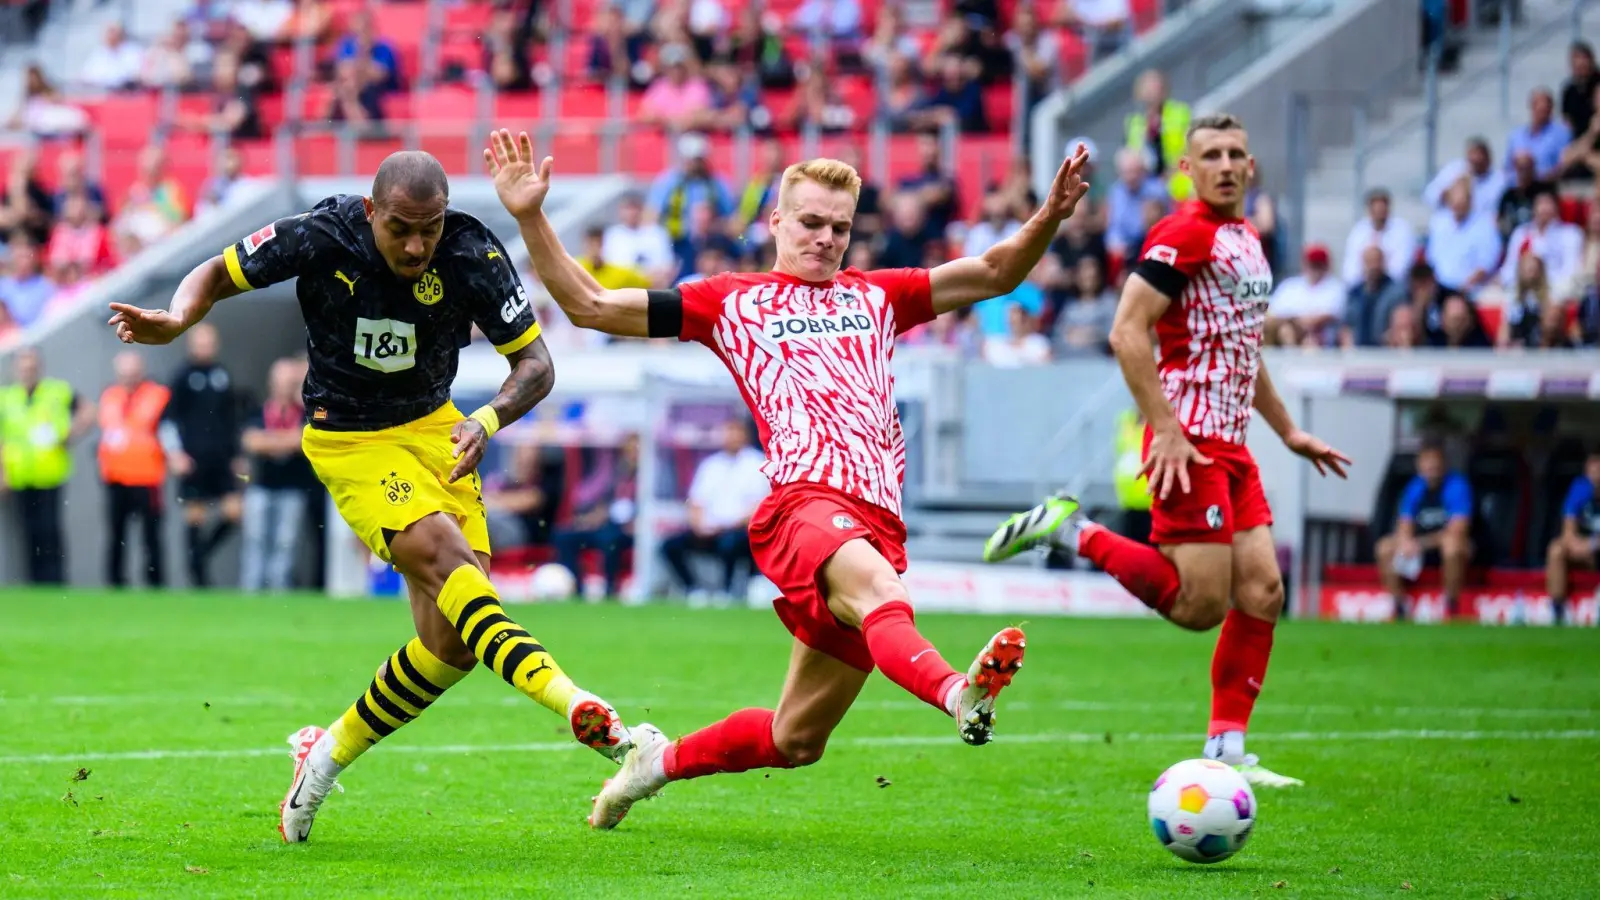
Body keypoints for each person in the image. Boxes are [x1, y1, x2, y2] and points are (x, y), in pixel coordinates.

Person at [484, 127, 1090, 828]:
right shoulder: (728, 301)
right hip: (803, 506)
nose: (826, 238)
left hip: (876, 521)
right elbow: (590, 305)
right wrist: (530, 215)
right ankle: (959, 693)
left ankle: (654, 764)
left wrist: (1049, 216)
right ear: (775, 221)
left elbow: (994, 273)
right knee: (883, 594)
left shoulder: (879, 296)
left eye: (841, 228)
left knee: (795, 739)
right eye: (810, 222)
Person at [106, 150, 633, 844]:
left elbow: (536, 365)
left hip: (440, 430)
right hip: (350, 438)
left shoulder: (471, 250)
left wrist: (487, 419)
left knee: (451, 646)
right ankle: (579, 707)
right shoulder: (321, 235)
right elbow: (216, 271)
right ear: (370, 211)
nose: (416, 246)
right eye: (400, 229)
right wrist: (179, 317)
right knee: (447, 559)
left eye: (429, 228)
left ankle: (323, 755)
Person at [981, 114, 1351, 789]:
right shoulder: (1182, 234)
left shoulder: (1246, 239)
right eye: (1211, 155)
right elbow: (1127, 332)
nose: (1226, 165)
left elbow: (1242, 350)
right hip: (1188, 441)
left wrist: (1288, 431)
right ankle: (1072, 530)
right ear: (1188, 169)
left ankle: (1227, 750)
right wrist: (1168, 429)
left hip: (1230, 445)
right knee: (1199, 606)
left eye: (1236, 154)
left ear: (1251, 166)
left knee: (1263, 590)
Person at [0, 346, 94, 584]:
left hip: (50, 473)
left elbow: (87, 410)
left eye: (31, 366)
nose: (27, 371)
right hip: (20, 475)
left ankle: (54, 581)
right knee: (28, 533)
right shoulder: (7, 397)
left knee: (50, 531)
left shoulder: (56, 391)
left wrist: (70, 434)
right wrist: (3, 473)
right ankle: (35, 582)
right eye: (23, 366)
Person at [165, 322, 243, 587]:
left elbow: (230, 419)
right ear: (191, 345)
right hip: (193, 459)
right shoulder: (182, 376)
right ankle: (198, 578)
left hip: (221, 459)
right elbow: (167, 421)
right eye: (200, 343)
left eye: (209, 343)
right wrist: (175, 454)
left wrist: (236, 455)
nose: (205, 348)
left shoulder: (222, 375)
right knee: (195, 517)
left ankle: (199, 557)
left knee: (234, 513)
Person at [660, 418, 769, 601]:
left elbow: (760, 504)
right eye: (728, 432)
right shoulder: (710, 464)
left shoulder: (757, 463)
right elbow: (695, 501)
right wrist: (699, 525)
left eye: (736, 433)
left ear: (745, 436)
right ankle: (693, 589)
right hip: (708, 529)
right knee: (670, 546)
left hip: (741, 529)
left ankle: (727, 591)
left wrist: (728, 525)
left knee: (729, 543)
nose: (731, 437)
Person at [239, 357, 315, 591]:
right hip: (260, 487)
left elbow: (302, 440)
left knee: (286, 542)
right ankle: (252, 589)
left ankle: (279, 591)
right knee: (255, 539)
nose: (285, 387)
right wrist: (285, 440)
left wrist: (270, 440)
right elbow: (251, 442)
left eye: (290, 383)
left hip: (293, 488)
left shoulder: (305, 413)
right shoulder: (258, 411)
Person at [1375, 440, 1473, 620]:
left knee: (1452, 545)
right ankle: (1400, 606)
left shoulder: (1457, 486)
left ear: (1444, 464)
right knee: (1385, 547)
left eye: (1436, 462)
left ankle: (1451, 606)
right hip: (1419, 549)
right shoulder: (1414, 487)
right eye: (1427, 462)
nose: (1432, 467)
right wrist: (1405, 542)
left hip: (1447, 547)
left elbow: (1457, 529)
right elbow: (1404, 524)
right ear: (1419, 465)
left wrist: (1420, 544)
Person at [98, 351, 172, 588]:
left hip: (147, 476)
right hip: (116, 476)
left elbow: (168, 430)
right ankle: (115, 583)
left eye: (132, 372)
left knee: (151, 536)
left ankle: (155, 584)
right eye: (124, 373)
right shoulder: (110, 395)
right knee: (116, 534)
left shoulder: (158, 395)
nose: (128, 377)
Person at [1545, 447, 1600, 625]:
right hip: (1587, 552)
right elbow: (1568, 530)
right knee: (1556, 549)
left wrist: (1592, 544)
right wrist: (1578, 544)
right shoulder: (1580, 488)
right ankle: (1557, 611)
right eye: (1592, 463)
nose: (1595, 469)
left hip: (1594, 549)